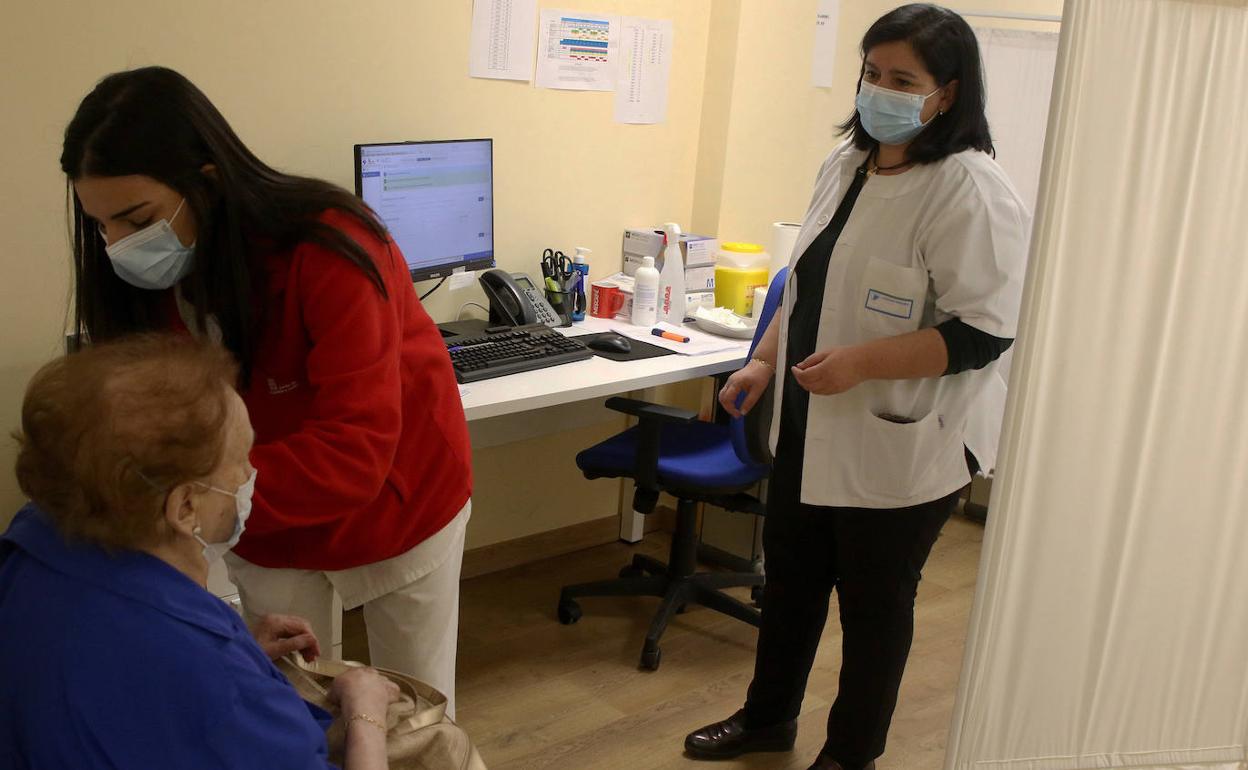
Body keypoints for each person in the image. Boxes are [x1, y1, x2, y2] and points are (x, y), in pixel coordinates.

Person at [59, 67, 473, 713]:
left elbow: (356, 451)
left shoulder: (328, 245)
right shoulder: (140, 287)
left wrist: (200, 496)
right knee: (294, 703)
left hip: (400, 490)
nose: (117, 245)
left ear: (207, 180)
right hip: (260, 514)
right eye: (101, 224)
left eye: (135, 219)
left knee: (411, 710)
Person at [684, 5, 1029, 770]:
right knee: (793, 587)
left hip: (902, 440)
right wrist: (764, 361)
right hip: (811, 422)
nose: (880, 91)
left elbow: (987, 331)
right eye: (872, 74)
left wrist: (863, 363)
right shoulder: (846, 163)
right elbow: (804, 286)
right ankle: (768, 718)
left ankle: (850, 755)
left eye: (902, 79)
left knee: (875, 612)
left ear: (947, 92)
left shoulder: (969, 190)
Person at [0, 335, 400, 769]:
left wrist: (236, 647)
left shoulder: (30, 543)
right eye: (242, 457)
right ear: (185, 505)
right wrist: (366, 710)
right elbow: (181, 678)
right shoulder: (223, 690)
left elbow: (122, 670)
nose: (251, 473)